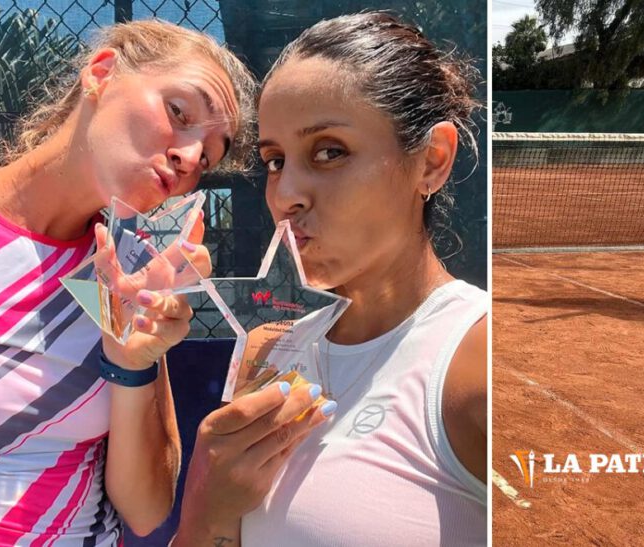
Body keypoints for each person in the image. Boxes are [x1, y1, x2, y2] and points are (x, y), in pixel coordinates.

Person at [173, 12, 487, 546]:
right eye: (275, 160)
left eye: (329, 151)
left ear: (432, 161)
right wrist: (204, 511)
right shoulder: (268, 346)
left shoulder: (475, 366)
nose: (285, 195)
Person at [0, 20, 255, 546]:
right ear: (101, 73)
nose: (190, 159)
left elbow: (146, 510)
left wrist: (130, 361)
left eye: (208, 157)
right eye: (179, 112)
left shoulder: (129, 275)